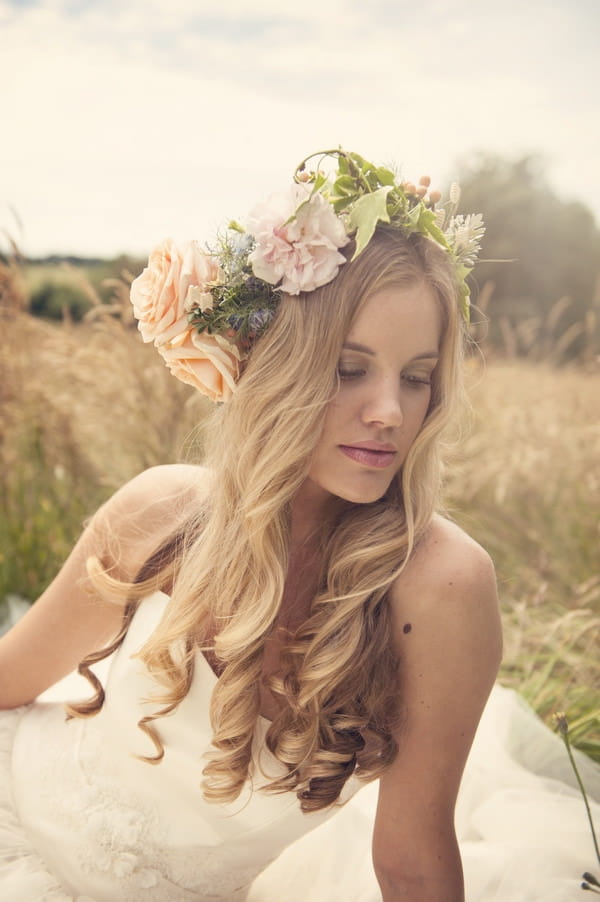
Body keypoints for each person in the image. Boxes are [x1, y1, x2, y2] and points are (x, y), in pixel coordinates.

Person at [0, 149, 597, 902]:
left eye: (416, 378)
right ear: (279, 365)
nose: (389, 412)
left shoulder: (442, 589)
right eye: (350, 369)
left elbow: (411, 862)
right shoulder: (159, 512)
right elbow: (8, 681)